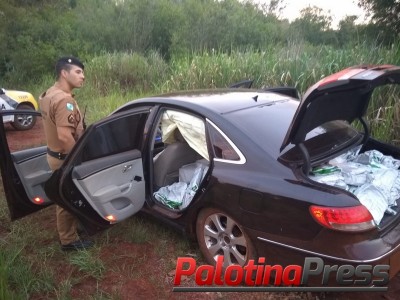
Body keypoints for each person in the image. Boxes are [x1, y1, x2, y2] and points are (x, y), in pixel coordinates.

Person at [39, 56, 93, 251]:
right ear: (64, 73)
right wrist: (76, 160)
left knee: (67, 195)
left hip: (53, 154)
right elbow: (64, 136)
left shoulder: (47, 94)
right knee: (66, 199)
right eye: (78, 72)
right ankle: (68, 240)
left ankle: (73, 228)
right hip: (64, 157)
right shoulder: (64, 100)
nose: (83, 76)